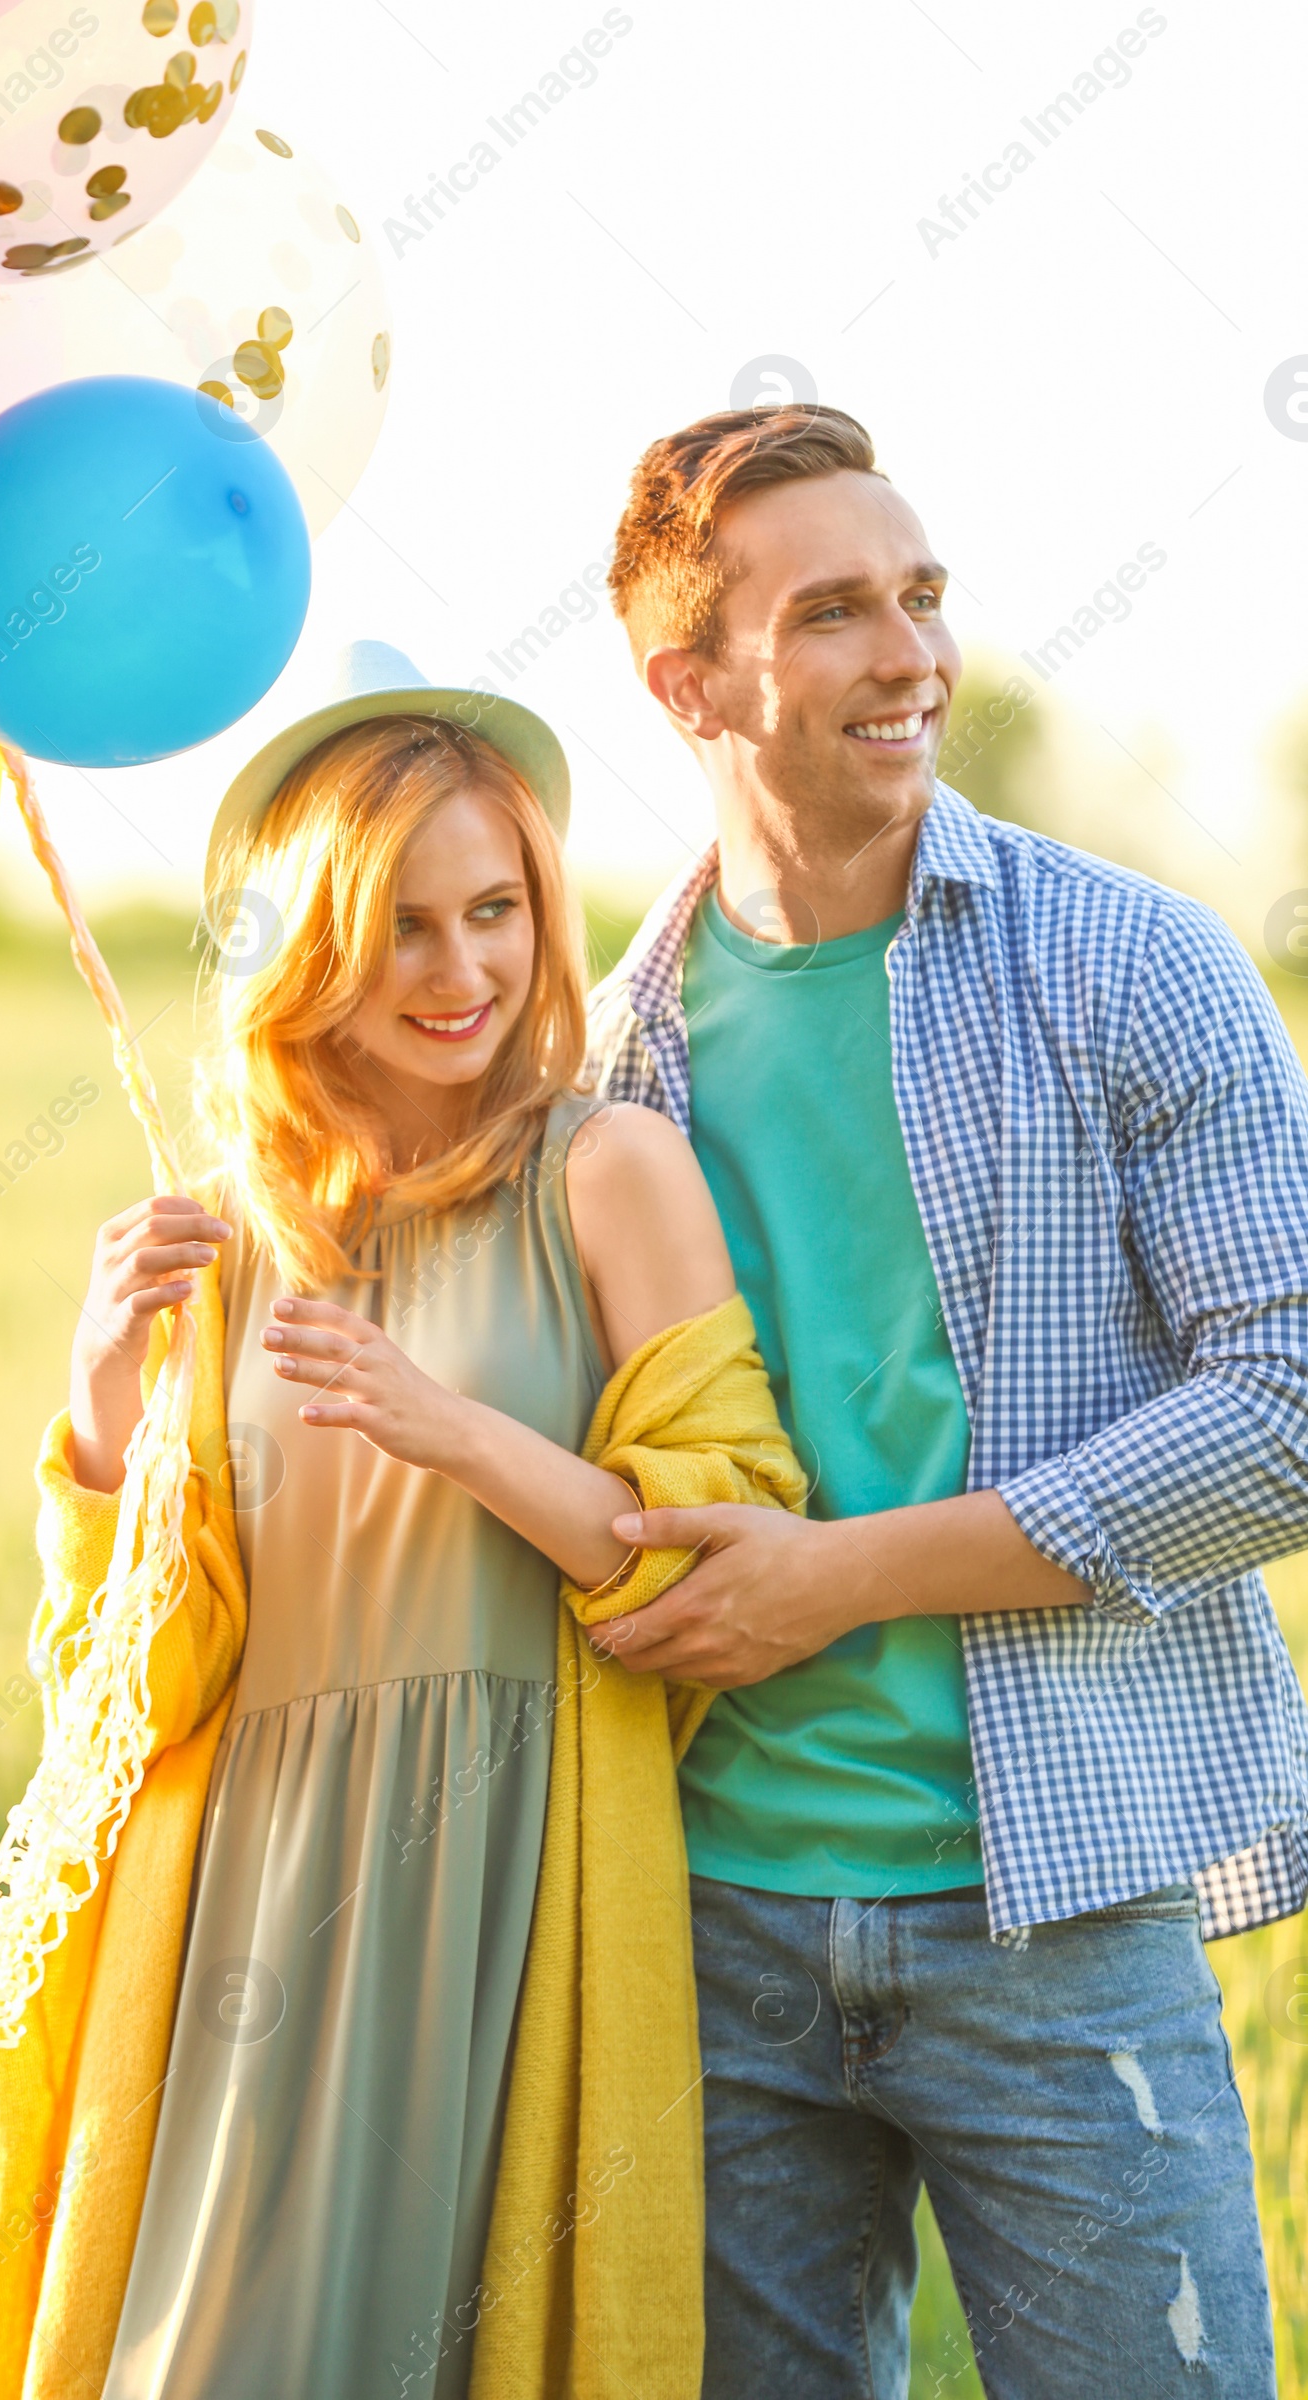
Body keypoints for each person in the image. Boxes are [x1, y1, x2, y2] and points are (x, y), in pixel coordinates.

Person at [0, 643, 802, 2400]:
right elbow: (140, 1683)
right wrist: (106, 1405)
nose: (463, 968)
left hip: (504, 1880)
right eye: (405, 926)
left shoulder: (610, 1172)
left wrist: (461, 1435)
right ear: (315, 950)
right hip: (248, 1906)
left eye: (496, 909)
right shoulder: (229, 1237)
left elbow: (724, 1562)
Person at [585, 402, 1308, 2397]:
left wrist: (842, 1579)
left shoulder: (1132, 969)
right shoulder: (604, 1062)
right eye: (831, 611)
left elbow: (1286, 1407)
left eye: (917, 597)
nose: (905, 653)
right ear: (687, 682)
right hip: (708, 1913)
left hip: (1049, 1912)